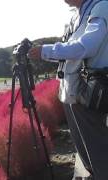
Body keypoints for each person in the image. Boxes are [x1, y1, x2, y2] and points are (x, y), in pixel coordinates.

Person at [28, 0, 108, 179]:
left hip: (90, 89)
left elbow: (85, 47)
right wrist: (44, 52)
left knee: (97, 146)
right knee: (84, 145)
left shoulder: (101, 7)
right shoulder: (76, 15)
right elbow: (70, 52)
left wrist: (45, 51)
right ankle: (94, 173)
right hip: (72, 90)